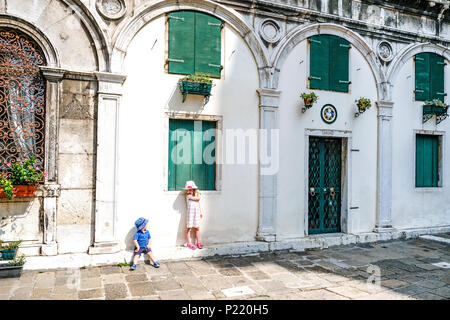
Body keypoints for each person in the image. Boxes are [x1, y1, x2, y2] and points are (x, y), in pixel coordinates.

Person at [184, 180, 203, 249]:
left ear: (193, 189)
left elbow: (198, 203)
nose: (189, 191)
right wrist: (196, 193)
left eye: (190, 189)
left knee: (197, 228)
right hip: (190, 214)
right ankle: (189, 243)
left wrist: (200, 212)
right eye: (188, 190)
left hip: (196, 213)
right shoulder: (188, 196)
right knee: (189, 228)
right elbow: (198, 199)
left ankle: (198, 242)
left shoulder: (196, 194)